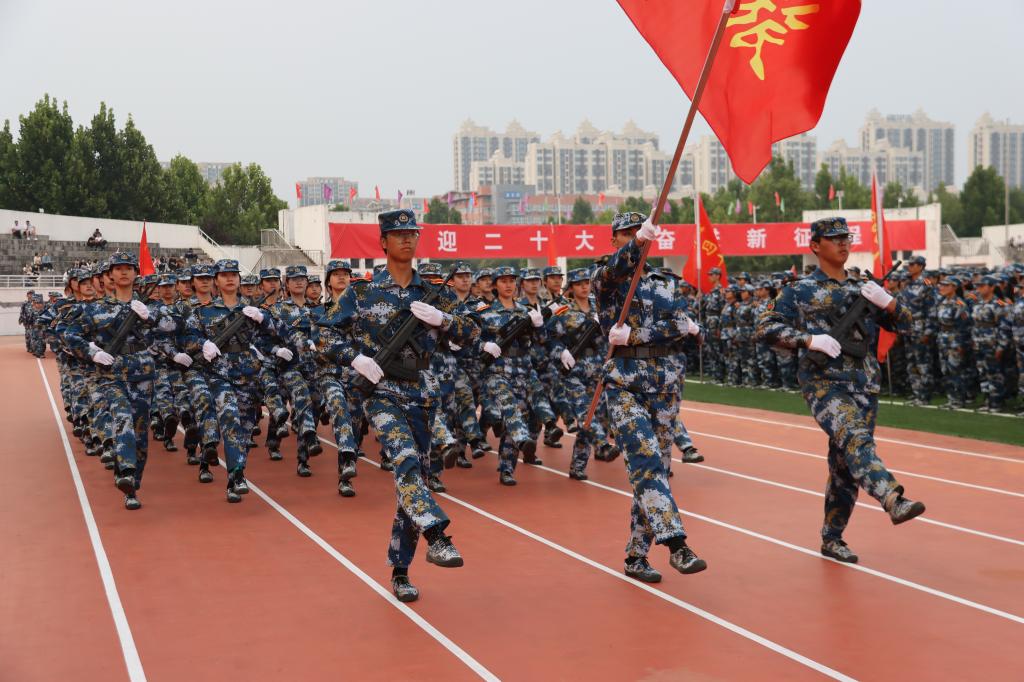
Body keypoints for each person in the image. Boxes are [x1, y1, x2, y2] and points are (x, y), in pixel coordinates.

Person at [320, 209, 477, 603]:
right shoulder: (362, 292)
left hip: (423, 392)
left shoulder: (434, 292)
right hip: (381, 392)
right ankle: (438, 535)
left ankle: (400, 569)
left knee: (414, 482)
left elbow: (473, 332)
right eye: (398, 234)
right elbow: (323, 335)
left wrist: (443, 320)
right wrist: (355, 358)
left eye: (412, 233)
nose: (407, 239)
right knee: (405, 462)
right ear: (383, 242)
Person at [756, 217, 926, 564]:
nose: (843, 243)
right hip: (823, 382)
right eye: (834, 238)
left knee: (845, 466)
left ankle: (832, 538)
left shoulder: (863, 287)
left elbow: (909, 325)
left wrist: (888, 302)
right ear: (815, 246)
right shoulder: (799, 290)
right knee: (855, 438)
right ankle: (892, 497)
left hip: (865, 384)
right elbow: (765, 327)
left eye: (846, 237)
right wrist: (808, 339)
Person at [592, 211, 706, 583]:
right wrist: (637, 243)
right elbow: (615, 270)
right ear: (614, 240)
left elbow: (681, 325)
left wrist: (639, 335)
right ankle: (677, 543)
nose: (632, 238)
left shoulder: (666, 282)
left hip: (665, 383)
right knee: (645, 462)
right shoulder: (606, 277)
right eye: (625, 234)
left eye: (637, 233)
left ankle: (636, 555)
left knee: (658, 469)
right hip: (624, 382)